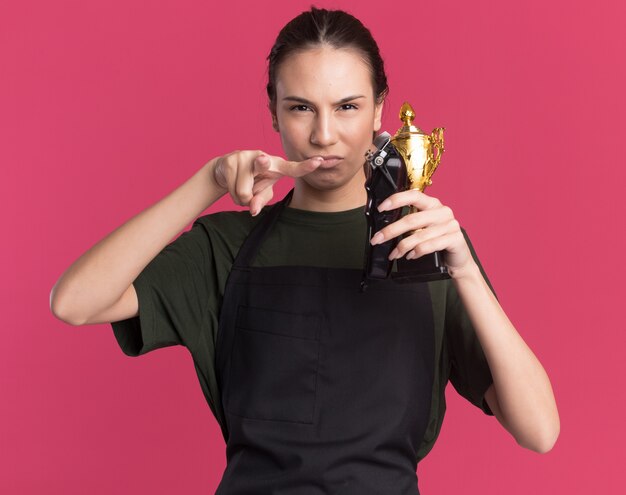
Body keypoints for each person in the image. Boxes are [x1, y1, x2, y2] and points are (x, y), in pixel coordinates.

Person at [50, 7, 559, 494]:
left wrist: (465, 270)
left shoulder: (426, 243)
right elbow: (75, 302)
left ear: (380, 108)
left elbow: (539, 431)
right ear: (272, 111)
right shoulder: (227, 245)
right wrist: (209, 180)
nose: (323, 135)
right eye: (300, 108)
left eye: (347, 107)